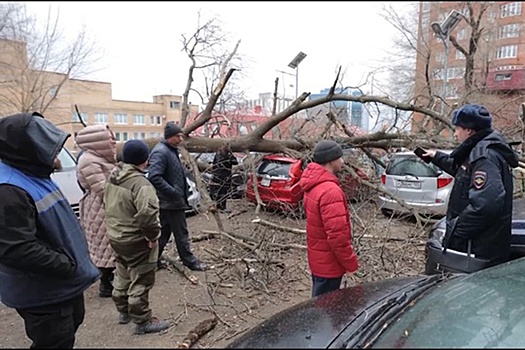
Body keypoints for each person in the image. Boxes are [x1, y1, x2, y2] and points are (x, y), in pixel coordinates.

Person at [0, 111, 100, 348]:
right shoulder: (8, 190)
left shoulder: (33, 173)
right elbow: (17, 249)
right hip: (43, 292)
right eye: (49, 145)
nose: (56, 151)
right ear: (26, 148)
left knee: (66, 332)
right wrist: (66, 265)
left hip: (59, 286)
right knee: (54, 341)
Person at [422, 104, 519, 267]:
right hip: (480, 249)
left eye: (457, 128)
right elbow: (464, 174)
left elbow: (487, 205)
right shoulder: (478, 150)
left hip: (477, 251)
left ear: (469, 130)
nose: (455, 133)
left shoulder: (484, 157)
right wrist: (436, 157)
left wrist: (456, 230)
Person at [104, 139, 170, 335]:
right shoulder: (141, 185)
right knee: (141, 279)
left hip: (116, 237)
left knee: (122, 273)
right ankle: (142, 321)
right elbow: (148, 216)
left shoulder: (113, 176)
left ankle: (123, 312)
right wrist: (152, 237)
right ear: (146, 159)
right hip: (136, 240)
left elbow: (105, 203)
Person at [297, 140, 359, 297]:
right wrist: (351, 264)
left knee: (319, 305)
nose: (342, 161)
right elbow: (337, 236)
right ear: (331, 160)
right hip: (329, 265)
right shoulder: (330, 192)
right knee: (326, 312)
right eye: (340, 157)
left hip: (318, 260)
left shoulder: (313, 185)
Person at [148, 121, 207, 271]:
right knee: (181, 234)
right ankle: (190, 262)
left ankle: (153, 261)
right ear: (169, 137)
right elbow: (154, 176)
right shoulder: (161, 152)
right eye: (177, 136)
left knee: (163, 234)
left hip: (171, 202)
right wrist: (173, 192)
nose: (181, 139)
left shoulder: (171, 150)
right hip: (170, 202)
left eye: (181, 135)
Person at [76, 124, 118, 297]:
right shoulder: (89, 161)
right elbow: (103, 190)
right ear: (98, 140)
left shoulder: (101, 158)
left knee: (109, 246)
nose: (114, 142)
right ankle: (105, 285)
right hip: (99, 209)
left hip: (106, 207)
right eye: (110, 138)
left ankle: (111, 282)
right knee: (104, 246)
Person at [210, 142, 238, 213]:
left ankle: (223, 206)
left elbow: (235, 162)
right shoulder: (218, 154)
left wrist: (230, 159)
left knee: (225, 191)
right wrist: (214, 174)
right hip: (218, 175)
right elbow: (215, 164)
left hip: (226, 176)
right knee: (217, 191)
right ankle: (217, 205)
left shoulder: (229, 154)